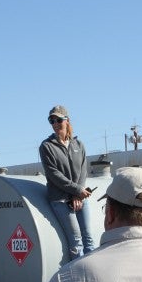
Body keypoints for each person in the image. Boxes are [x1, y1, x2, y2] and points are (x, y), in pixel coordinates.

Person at [39, 104, 96, 261]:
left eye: (58, 120)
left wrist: (78, 194)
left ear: (67, 120)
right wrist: (76, 191)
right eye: (52, 121)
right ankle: (77, 279)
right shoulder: (46, 147)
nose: (55, 124)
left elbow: (83, 170)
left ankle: (93, 273)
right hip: (60, 199)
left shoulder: (79, 145)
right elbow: (53, 174)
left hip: (79, 197)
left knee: (88, 237)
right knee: (76, 239)